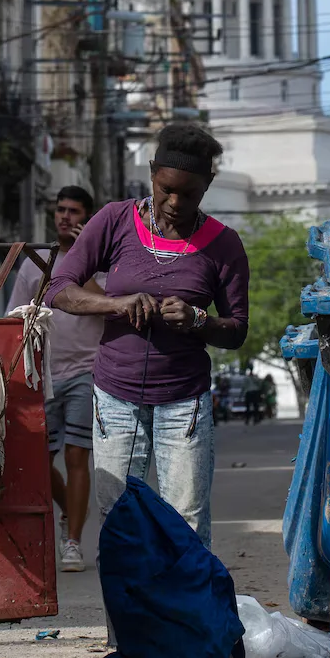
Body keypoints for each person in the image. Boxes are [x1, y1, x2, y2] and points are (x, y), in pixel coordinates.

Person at [45, 122, 249, 550]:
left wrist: (198, 320)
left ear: (208, 185)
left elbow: (236, 331)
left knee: (186, 524)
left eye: (189, 193)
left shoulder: (224, 245)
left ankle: (187, 618)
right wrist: (116, 304)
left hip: (184, 402)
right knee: (120, 522)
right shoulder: (114, 221)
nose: (174, 203)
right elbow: (59, 289)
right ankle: (126, 620)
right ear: (153, 173)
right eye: (166, 189)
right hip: (115, 398)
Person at [7, 185, 107, 573]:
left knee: (76, 455)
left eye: (74, 211)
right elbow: (17, 316)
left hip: (87, 370)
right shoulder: (36, 263)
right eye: (61, 210)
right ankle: (70, 509)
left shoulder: (101, 262)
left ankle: (72, 541)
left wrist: (88, 256)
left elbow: (111, 305)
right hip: (44, 372)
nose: (65, 217)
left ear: (88, 217)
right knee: (36, 459)